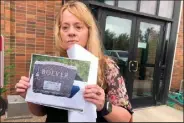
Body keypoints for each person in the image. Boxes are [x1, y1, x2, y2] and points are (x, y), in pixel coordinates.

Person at [15, 1, 133, 122]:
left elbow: (126, 118)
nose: (71, 32)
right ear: (59, 33)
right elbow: (40, 112)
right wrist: (29, 95)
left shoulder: (106, 66)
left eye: (78, 26)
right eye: (65, 27)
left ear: (89, 31)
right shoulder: (52, 66)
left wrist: (104, 105)